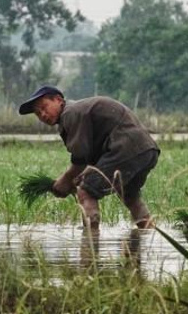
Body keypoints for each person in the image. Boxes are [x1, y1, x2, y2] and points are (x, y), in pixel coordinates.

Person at [18, 85, 160, 229]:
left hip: (126, 149)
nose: (43, 114)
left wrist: (64, 181)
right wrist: (80, 177)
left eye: (44, 107)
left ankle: (90, 238)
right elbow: (90, 158)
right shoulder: (76, 112)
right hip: (147, 150)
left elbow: (79, 159)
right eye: (38, 113)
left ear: (58, 100)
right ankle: (148, 232)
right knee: (129, 195)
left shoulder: (71, 113)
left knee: (85, 192)